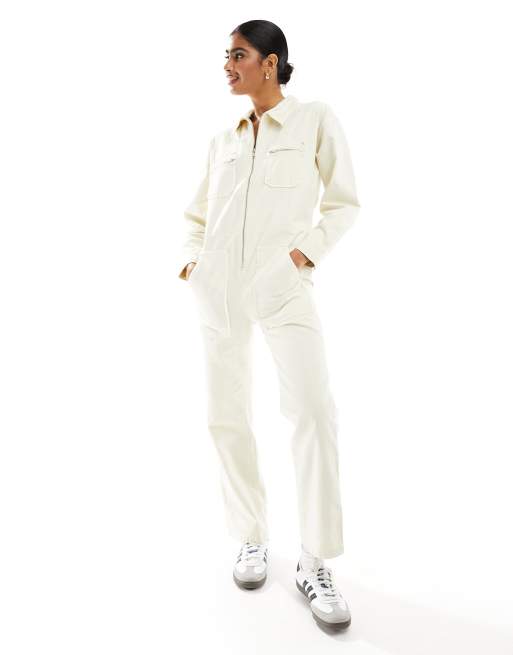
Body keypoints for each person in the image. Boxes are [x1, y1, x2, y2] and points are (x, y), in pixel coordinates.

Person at [177, 20, 360, 631]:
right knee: (225, 415)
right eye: (226, 55)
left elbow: (344, 202)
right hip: (220, 290)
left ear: (271, 62)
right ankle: (251, 536)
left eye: (239, 54)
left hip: (283, 288)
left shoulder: (314, 120)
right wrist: (194, 264)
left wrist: (301, 256)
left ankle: (315, 560)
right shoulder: (222, 140)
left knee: (312, 411)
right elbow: (196, 214)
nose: (227, 65)